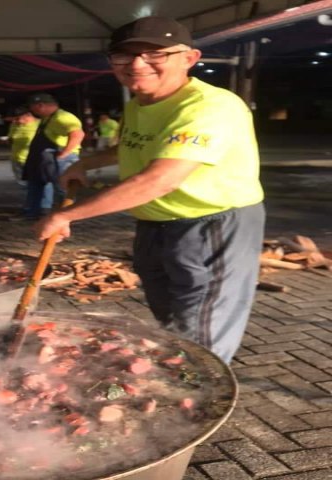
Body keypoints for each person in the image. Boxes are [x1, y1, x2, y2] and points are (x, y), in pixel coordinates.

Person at [36, 16, 265, 364]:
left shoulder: (209, 107)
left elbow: (160, 179)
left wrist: (67, 215)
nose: (137, 65)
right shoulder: (139, 103)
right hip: (154, 224)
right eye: (124, 57)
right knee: (169, 316)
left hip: (210, 225)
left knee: (201, 328)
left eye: (155, 55)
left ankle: (197, 399)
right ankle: (179, 373)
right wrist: (86, 164)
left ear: (189, 58)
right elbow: (130, 146)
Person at [21, 93, 85, 220]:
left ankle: (67, 217)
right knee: (36, 185)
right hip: (44, 159)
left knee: (62, 188)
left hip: (60, 159)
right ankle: (34, 213)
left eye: (32, 107)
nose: (31, 110)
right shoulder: (48, 118)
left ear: (40, 105)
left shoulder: (62, 117)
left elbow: (78, 134)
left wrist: (65, 153)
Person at [6, 106, 40, 185]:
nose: (15, 121)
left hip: (34, 159)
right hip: (17, 159)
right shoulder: (14, 125)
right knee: (23, 184)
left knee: (37, 184)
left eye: (18, 119)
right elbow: (11, 138)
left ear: (28, 115)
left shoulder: (39, 124)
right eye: (13, 120)